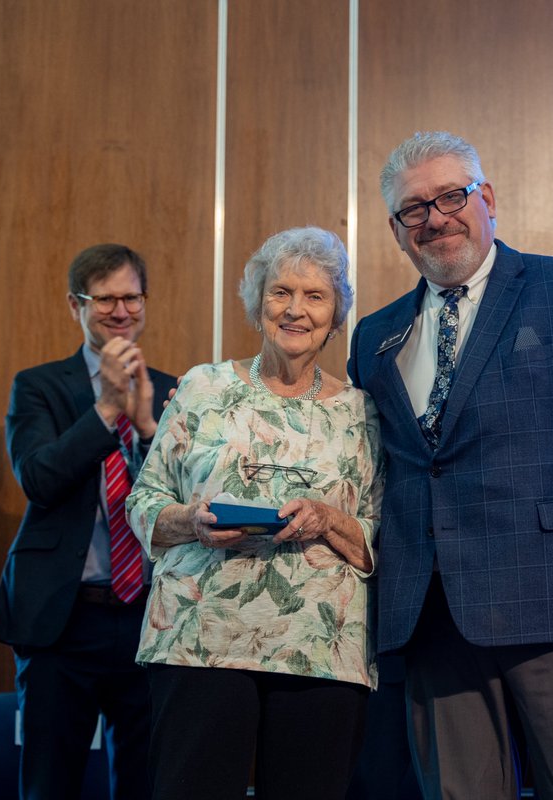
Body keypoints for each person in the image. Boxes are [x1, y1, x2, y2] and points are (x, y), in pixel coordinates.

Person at [347, 131, 553, 800]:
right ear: (396, 229)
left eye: (451, 196)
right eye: (415, 208)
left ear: (487, 198)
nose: (435, 217)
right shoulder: (374, 335)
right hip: (432, 621)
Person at [127, 226, 382, 800]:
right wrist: (191, 520)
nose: (295, 309)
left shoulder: (362, 413)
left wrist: (326, 517)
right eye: (280, 292)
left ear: (337, 312)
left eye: (315, 296)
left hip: (322, 648)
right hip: (199, 638)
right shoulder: (200, 388)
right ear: (257, 302)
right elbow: (143, 502)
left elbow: (380, 532)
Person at [0, 243, 178, 800]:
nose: (121, 311)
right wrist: (108, 409)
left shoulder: (174, 390)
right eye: (106, 299)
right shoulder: (39, 386)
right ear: (76, 305)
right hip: (61, 619)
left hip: (148, 615)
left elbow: (183, 498)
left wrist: (143, 426)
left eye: (132, 297)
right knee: (50, 780)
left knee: (145, 778)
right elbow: (39, 479)